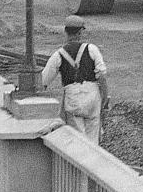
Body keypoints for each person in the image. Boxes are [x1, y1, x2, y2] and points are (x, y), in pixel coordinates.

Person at [41, 15, 109, 143]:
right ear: (80, 32)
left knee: (78, 140)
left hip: (73, 97)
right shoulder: (92, 49)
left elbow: (43, 81)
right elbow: (102, 76)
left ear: (65, 32)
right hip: (93, 96)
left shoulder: (59, 54)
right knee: (93, 139)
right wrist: (104, 97)